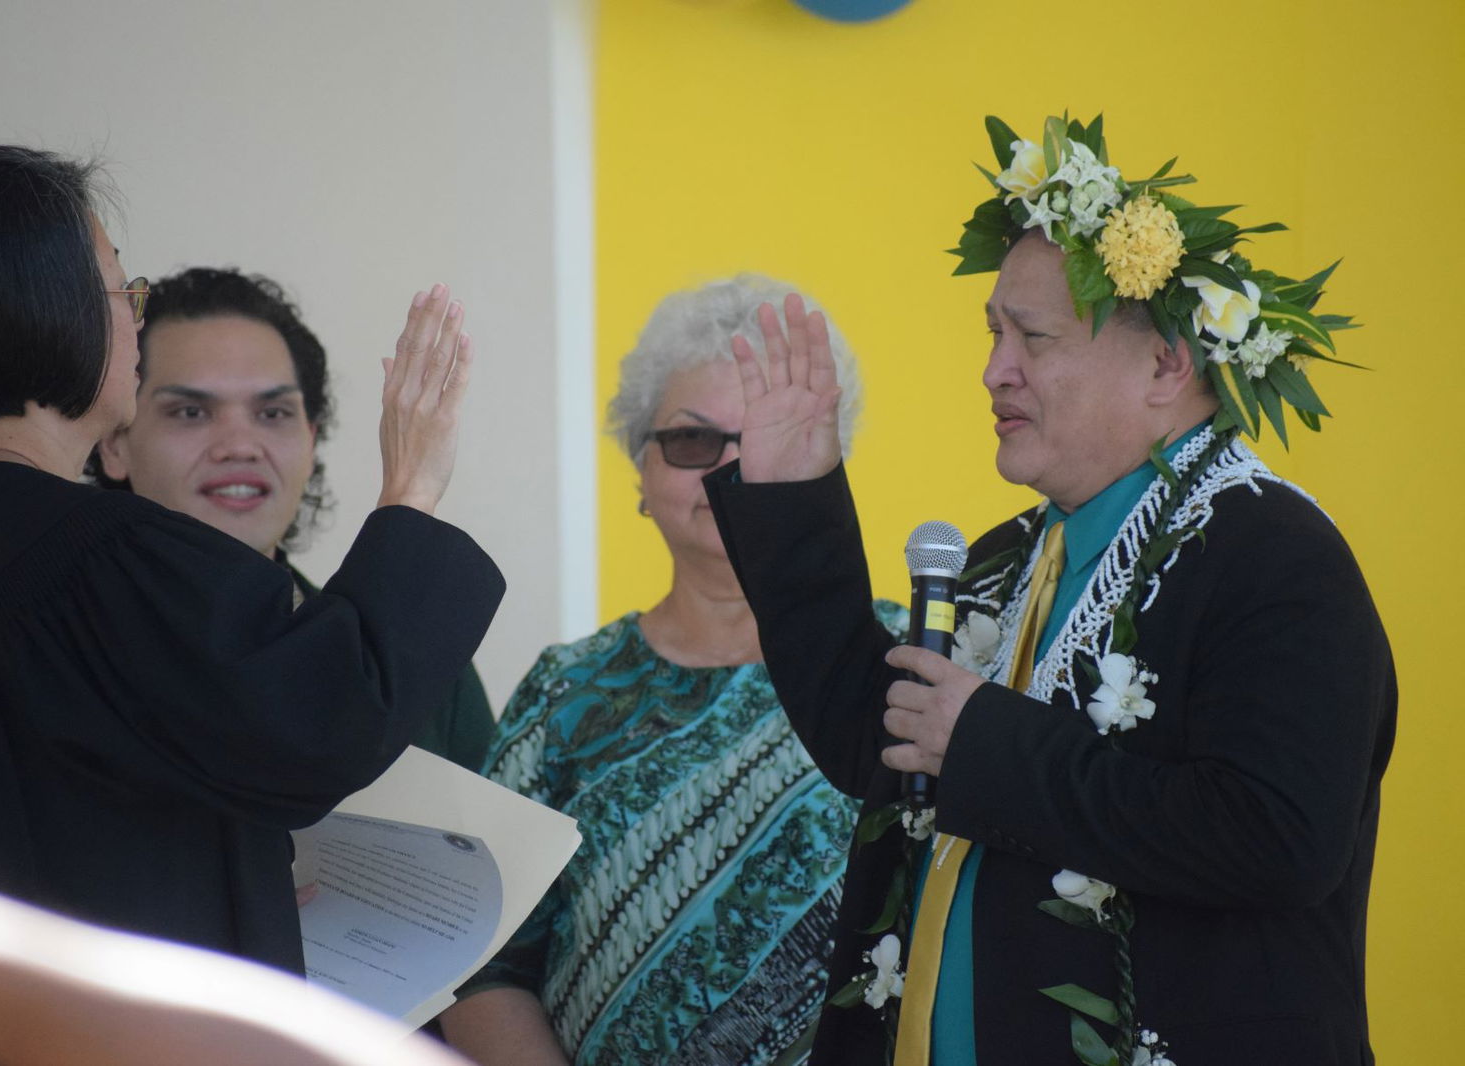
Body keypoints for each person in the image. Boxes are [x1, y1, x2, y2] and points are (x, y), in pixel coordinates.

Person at [704, 115, 1395, 1065]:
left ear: (1166, 363)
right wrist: (791, 497)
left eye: (1030, 335)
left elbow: (1278, 839)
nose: (993, 371)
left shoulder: (1275, 556)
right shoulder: (1006, 555)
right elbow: (886, 744)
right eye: (992, 332)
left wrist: (983, 739)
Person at [0, 145, 504, 976]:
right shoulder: (108, 557)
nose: (137, 320)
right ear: (56, 309)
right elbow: (330, 720)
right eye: (125, 291)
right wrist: (412, 485)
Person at [440, 276, 903, 1065]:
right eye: (693, 442)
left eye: (759, 436)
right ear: (641, 478)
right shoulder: (565, 693)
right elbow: (481, 958)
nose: (727, 470)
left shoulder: (907, 665)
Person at [89, 267, 493, 770]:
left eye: (273, 413)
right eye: (191, 412)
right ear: (114, 444)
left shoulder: (412, 663)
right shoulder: (58, 651)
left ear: (311, 440)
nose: (240, 446)